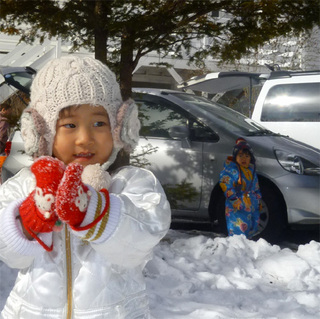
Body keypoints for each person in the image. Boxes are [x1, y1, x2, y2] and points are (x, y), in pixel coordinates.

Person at [0, 56, 171, 319]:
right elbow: (10, 253)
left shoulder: (131, 184)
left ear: (119, 127)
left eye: (99, 123)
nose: (85, 138)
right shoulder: (26, 186)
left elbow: (140, 240)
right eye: (69, 125)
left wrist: (92, 207)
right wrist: (30, 218)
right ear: (40, 131)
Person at [219, 138, 262, 239]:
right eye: (240, 156)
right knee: (237, 230)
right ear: (235, 157)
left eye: (247, 156)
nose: (244, 159)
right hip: (237, 206)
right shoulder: (232, 171)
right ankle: (237, 246)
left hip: (251, 205)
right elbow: (225, 185)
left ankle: (246, 245)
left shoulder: (251, 171)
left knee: (250, 228)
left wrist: (257, 199)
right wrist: (234, 199)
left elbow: (256, 188)